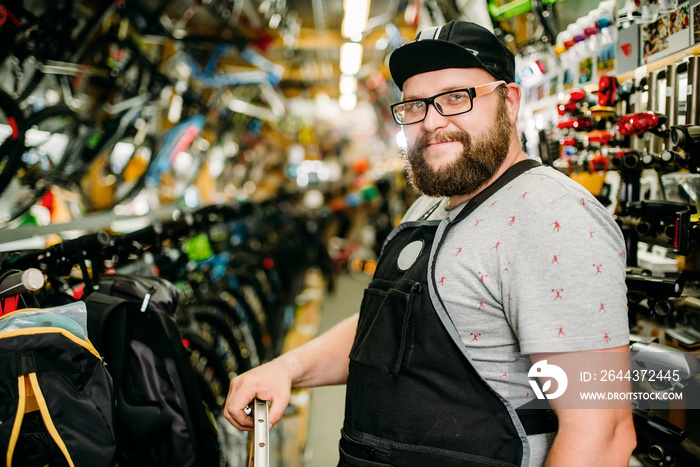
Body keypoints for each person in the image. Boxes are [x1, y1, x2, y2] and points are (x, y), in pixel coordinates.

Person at [224, 20, 636, 466]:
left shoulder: (552, 219)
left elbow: (603, 434)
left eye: (457, 98)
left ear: (510, 101)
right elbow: (387, 331)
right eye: (415, 105)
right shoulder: (428, 206)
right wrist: (289, 368)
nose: (433, 122)